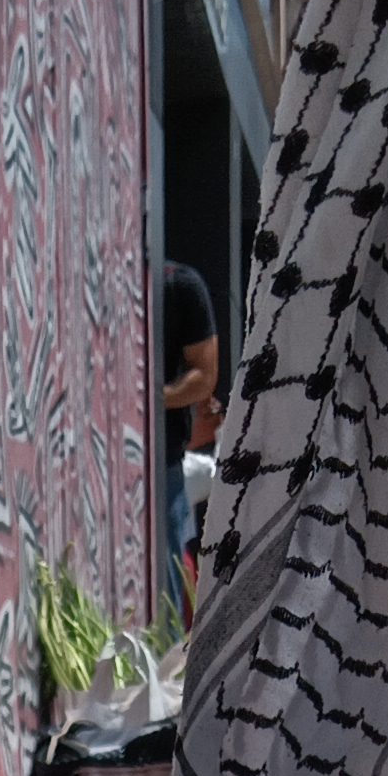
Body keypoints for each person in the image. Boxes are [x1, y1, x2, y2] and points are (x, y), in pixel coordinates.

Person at [158, 259, 220, 610]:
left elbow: (205, 375)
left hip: (162, 462)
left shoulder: (178, 284)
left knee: (165, 590)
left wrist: (150, 400)